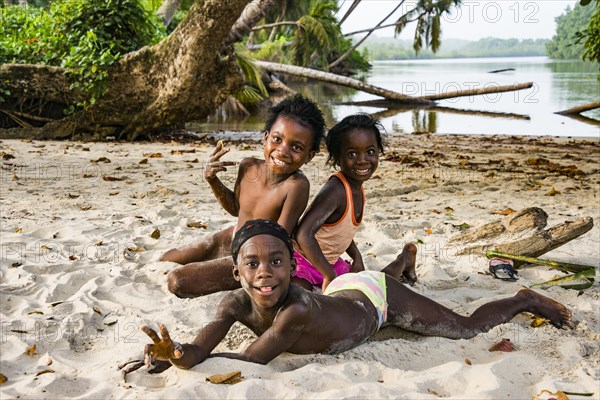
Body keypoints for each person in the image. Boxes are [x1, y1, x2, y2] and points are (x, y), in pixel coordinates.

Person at [123, 219, 572, 373]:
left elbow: (251, 360)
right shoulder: (233, 303)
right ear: (236, 272)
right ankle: (403, 259)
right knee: (378, 277)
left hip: (375, 301)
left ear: (291, 265)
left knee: (465, 328)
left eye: (277, 262)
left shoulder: (295, 307)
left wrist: (185, 356)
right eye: (253, 264)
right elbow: (203, 348)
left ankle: (524, 299)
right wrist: (177, 352)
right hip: (342, 287)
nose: (265, 273)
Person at [159, 94, 325, 297]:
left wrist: (243, 262)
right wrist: (213, 180)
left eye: (296, 147)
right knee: (166, 259)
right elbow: (237, 209)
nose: (283, 151)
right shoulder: (248, 166)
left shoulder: (296, 185)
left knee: (178, 281)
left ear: (309, 156)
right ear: (265, 138)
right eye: (277, 139)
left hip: (258, 256)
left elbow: (278, 238)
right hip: (234, 236)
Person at [293, 113, 417, 292]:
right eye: (352, 153)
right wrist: (329, 275)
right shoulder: (336, 190)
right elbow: (303, 234)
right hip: (304, 262)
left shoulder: (356, 187)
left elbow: (340, 231)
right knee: (297, 298)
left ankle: (404, 259)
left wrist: (357, 257)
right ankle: (403, 260)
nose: (362, 160)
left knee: (371, 287)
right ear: (337, 158)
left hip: (329, 264)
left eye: (370, 152)